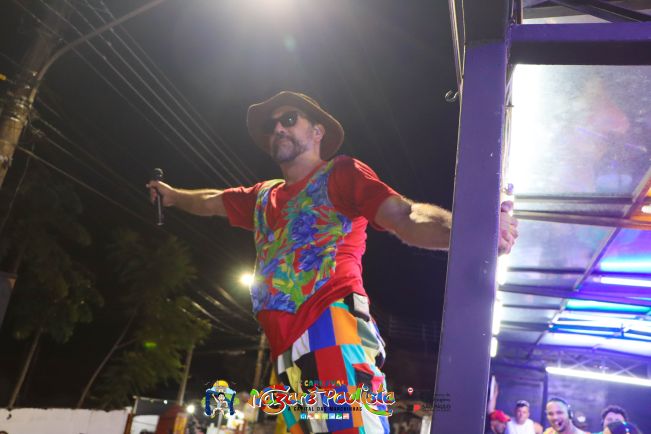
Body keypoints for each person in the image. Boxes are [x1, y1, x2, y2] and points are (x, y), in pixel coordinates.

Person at [147, 91, 519, 433]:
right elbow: (211, 201)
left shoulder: (341, 174)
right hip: (284, 350)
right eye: (271, 126)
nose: (278, 128)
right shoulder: (262, 197)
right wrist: (174, 196)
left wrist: (470, 231)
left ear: (318, 131)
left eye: (289, 119)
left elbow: (404, 216)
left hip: (330, 326)